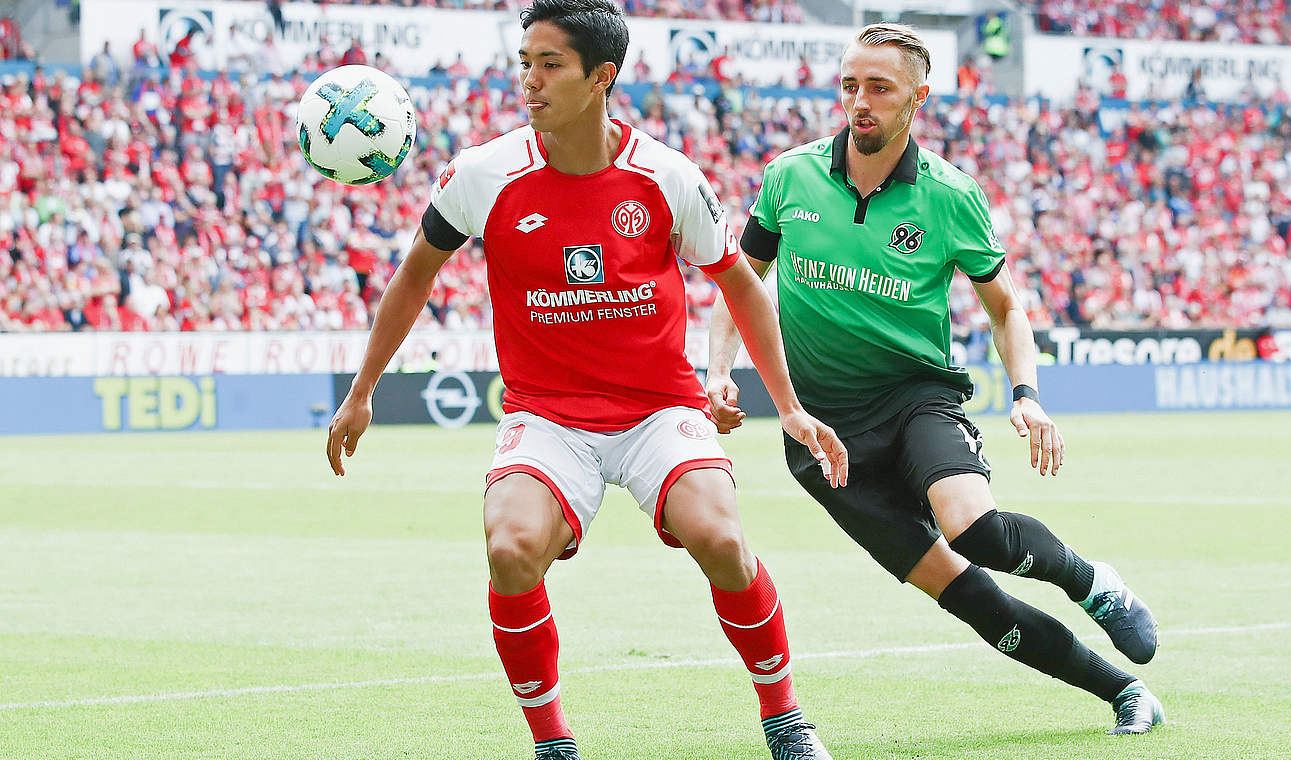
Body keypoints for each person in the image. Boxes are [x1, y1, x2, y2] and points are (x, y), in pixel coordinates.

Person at [325, 2, 847, 759]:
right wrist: (363, 387)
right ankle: (553, 744)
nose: (530, 81)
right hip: (546, 416)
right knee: (510, 548)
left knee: (720, 538)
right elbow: (414, 276)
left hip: (657, 410)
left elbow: (740, 284)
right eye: (525, 62)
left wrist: (789, 407)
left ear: (602, 77)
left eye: (550, 65)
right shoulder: (482, 173)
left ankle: (786, 719)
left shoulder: (667, 175)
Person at [706, 23, 1165, 737]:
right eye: (851, 85)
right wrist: (717, 372)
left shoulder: (951, 196)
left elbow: (1006, 307)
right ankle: (1125, 693)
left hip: (914, 397)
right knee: (973, 598)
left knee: (974, 529)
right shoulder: (788, 177)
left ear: (918, 98)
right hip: (820, 434)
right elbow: (740, 284)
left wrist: (1028, 396)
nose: (860, 101)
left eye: (879, 88)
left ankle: (1091, 581)